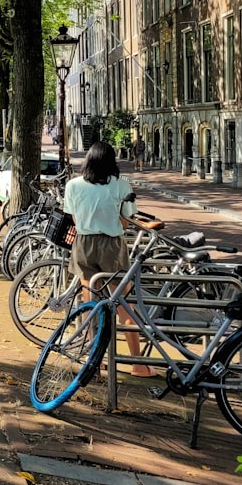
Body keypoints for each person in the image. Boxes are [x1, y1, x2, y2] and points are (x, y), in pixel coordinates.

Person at [63, 140, 154, 377]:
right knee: (125, 305)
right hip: (112, 246)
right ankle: (137, 363)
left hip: (84, 245)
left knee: (90, 304)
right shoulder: (121, 186)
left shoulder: (73, 185)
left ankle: (95, 361)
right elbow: (126, 222)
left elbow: (74, 219)